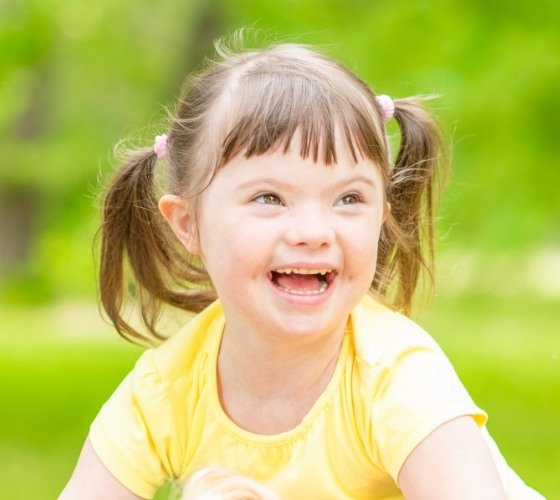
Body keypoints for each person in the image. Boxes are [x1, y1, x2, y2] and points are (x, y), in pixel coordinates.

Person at [60, 36, 544, 499]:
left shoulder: (396, 379)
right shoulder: (166, 393)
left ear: (381, 216)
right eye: (269, 198)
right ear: (188, 224)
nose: (313, 231)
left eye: (349, 198)